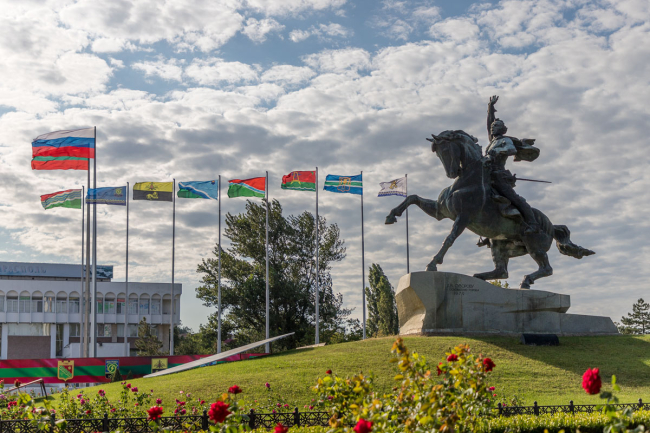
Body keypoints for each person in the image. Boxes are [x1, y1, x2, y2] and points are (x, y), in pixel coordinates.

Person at [485, 96, 540, 234]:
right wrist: (490, 108)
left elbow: (512, 150)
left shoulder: (505, 140)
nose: (492, 128)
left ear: (503, 129)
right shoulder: (492, 141)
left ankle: (532, 223)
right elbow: (489, 122)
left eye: (496, 126)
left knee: (514, 198)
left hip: (499, 176)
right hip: (486, 175)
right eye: (492, 127)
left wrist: (499, 151)